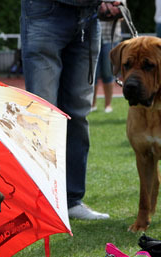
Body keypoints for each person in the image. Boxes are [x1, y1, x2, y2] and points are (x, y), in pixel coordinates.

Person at [20, 0, 121, 220]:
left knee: (77, 113)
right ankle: (40, 200)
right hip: (45, 12)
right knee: (42, 114)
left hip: (88, 16)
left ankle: (72, 200)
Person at [92, 18, 122, 113]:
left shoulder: (118, 1)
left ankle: (108, 105)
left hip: (111, 38)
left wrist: (109, 11)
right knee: (93, 74)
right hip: (92, 37)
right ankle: (92, 104)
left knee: (108, 73)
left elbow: (122, 15)